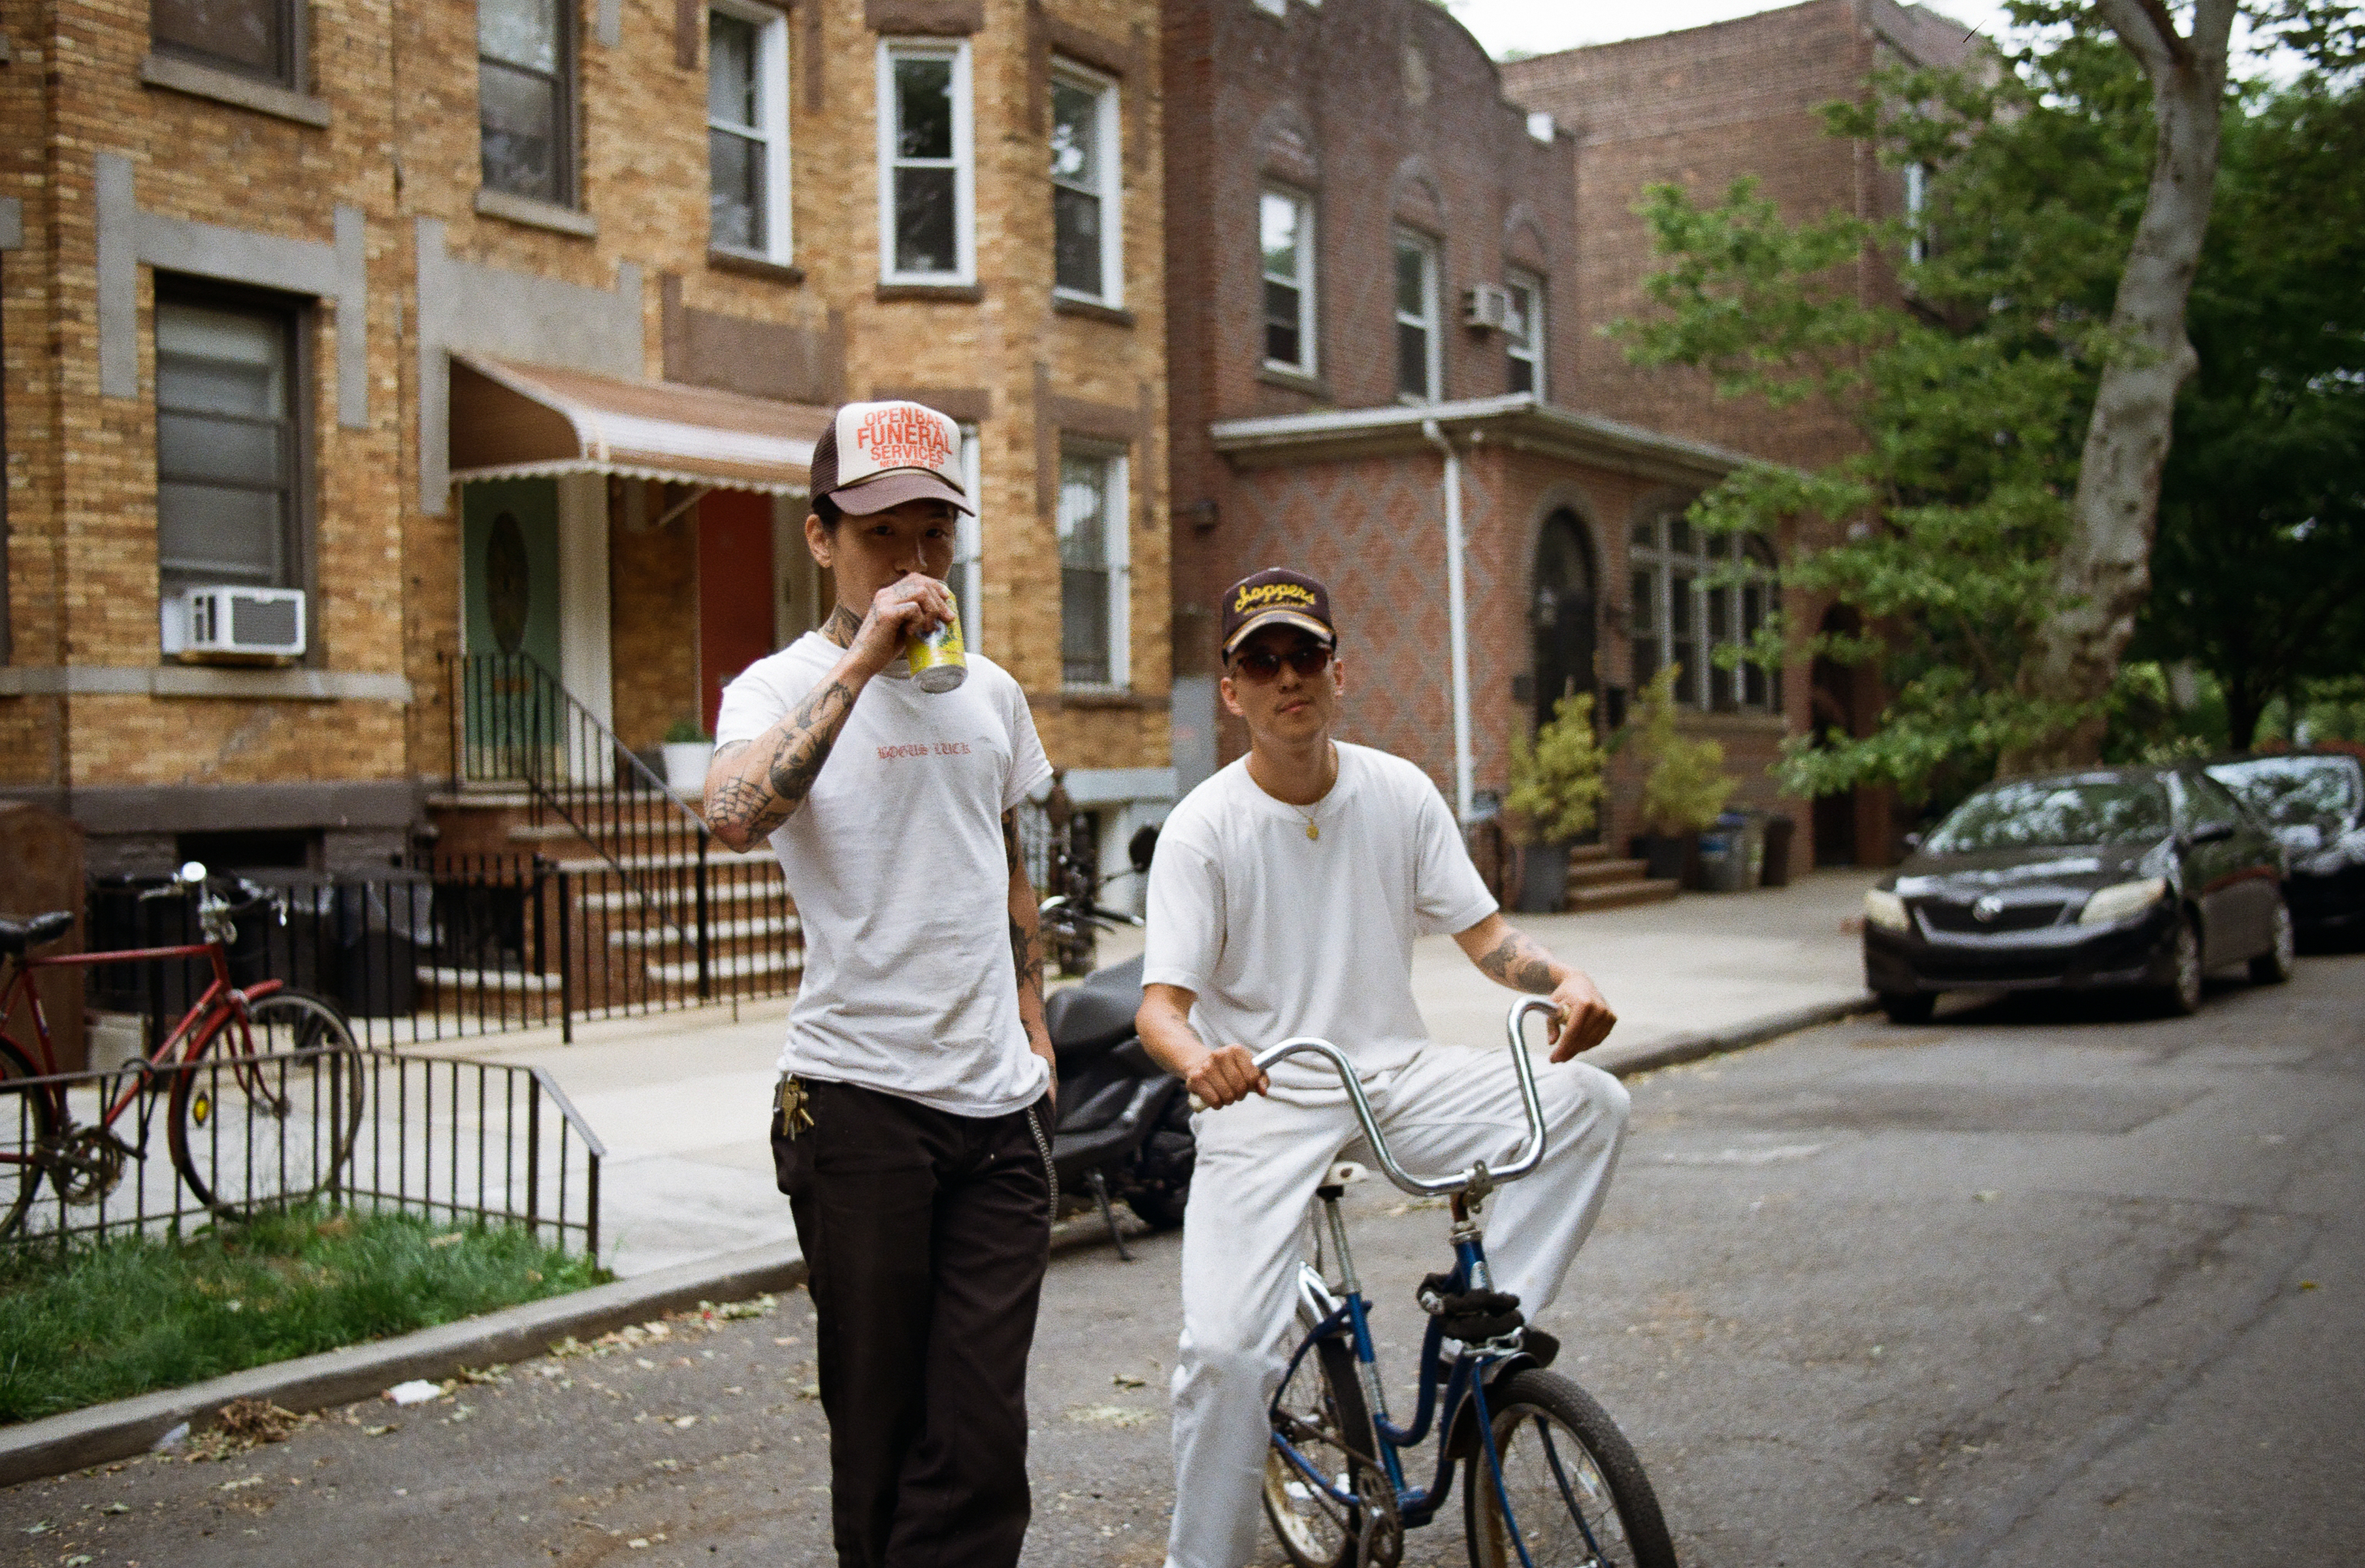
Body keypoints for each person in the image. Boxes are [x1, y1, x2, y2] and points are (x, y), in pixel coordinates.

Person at [1135, 567, 1631, 1568]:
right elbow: (1161, 1009)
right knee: (1228, 1356)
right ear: (1231, 689)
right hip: (1266, 1098)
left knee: (1589, 1102)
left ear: (1337, 670)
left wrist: (1564, 977)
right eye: (1261, 661)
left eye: (1305, 655)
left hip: (1396, 1077)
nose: (1288, 678)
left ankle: (1496, 1338)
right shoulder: (1204, 828)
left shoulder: (1398, 792)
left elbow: (1489, 943)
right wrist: (1203, 1063)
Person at [705, 399, 1057, 1568]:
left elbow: (1005, 859)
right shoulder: (774, 688)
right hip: (858, 1105)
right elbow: (735, 815)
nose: (913, 565)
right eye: (881, 536)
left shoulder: (991, 694)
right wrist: (864, 660)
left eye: (933, 538)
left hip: (996, 1111)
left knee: (981, 1437)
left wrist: (1035, 1022)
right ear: (820, 538)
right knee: (878, 1426)